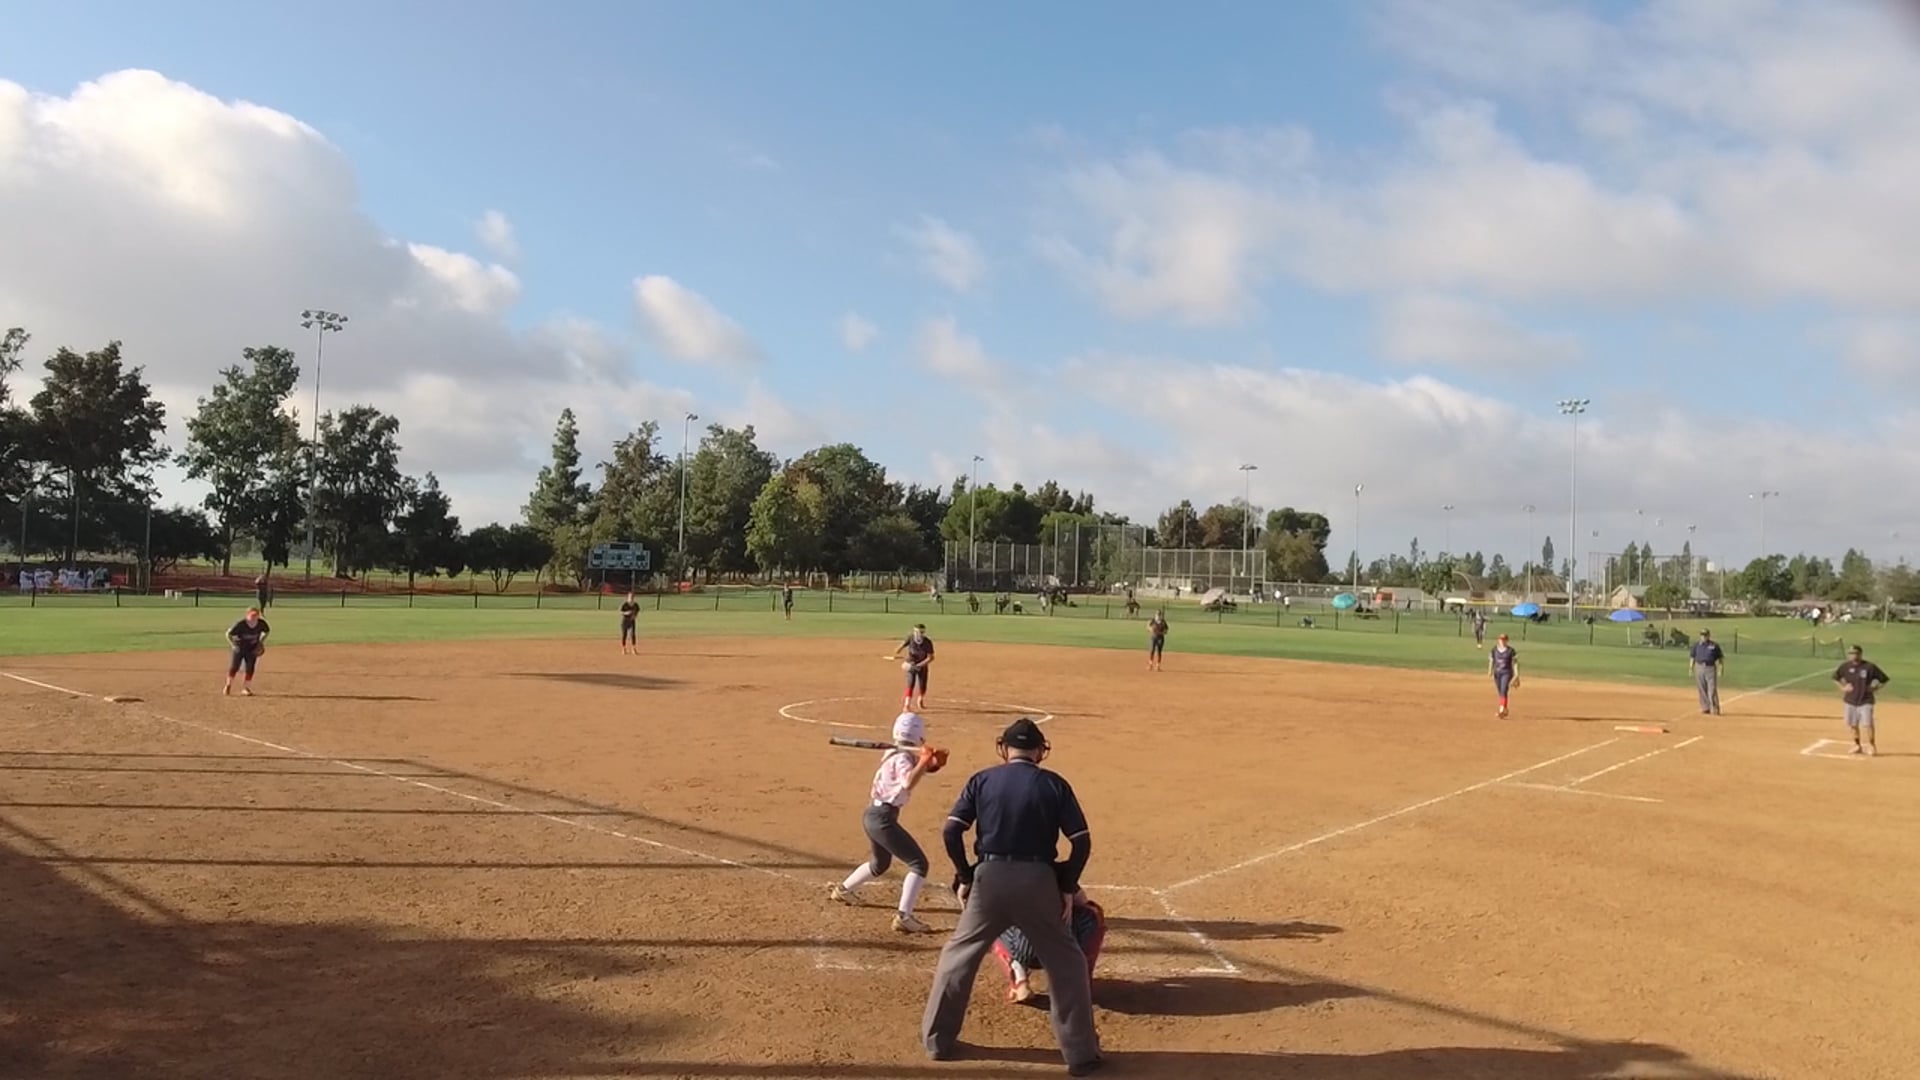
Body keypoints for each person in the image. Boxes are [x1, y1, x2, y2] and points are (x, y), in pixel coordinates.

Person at [922, 717, 1101, 1075]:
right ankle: (1080, 1054)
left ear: (1004, 749)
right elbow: (1081, 841)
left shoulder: (982, 779)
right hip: (1038, 879)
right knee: (1066, 963)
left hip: (989, 877)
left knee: (959, 955)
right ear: (1040, 751)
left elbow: (951, 831)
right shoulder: (1054, 784)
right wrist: (1067, 884)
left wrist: (965, 875)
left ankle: (937, 1041)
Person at [829, 712, 942, 933]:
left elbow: (918, 769)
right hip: (882, 819)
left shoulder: (896, 753)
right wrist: (925, 760)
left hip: (873, 815)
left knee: (880, 864)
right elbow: (908, 782)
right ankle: (904, 917)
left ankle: (843, 890)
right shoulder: (902, 758)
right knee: (919, 864)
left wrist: (933, 763)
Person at [993, 889, 1107, 1004]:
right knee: (1093, 912)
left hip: (1028, 951)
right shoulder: (1063, 879)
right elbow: (1082, 900)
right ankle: (1078, 982)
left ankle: (1019, 977)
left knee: (995, 917)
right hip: (1065, 949)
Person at [1833, 645, 1891, 757]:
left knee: (1867, 724)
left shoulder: (1869, 667)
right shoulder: (1845, 666)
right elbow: (1835, 677)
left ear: (1860, 654)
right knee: (1852, 724)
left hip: (1865, 700)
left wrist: (1875, 688)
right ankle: (1857, 745)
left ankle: (1871, 745)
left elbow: (1884, 679)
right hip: (1850, 700)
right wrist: (1843, 687)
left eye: (1855, 653)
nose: (1853, 655)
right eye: (1851, 653)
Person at [223, 607, 271, 696]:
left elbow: (267, 631)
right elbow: (228, 634)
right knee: (234, 667)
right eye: (252, 615)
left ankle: (246, 688)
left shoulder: (261, 623)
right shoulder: (240, 624)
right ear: (247, 615)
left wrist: (261, 641)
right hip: (239, 648)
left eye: (256, 615)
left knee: (250, 668)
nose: (254, 617)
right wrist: (233, 645)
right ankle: (228, 685)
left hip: (252, 648)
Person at [892, 624, 935, 712]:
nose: (918, 634)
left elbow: (930, 658)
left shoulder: (927, 642)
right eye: (916, 632)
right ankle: (907, 705)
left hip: (922, 665)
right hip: (911, 664)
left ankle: (920, 698)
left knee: (922, 685)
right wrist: (898, 650)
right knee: (910, 684)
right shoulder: (910, 638)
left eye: (920, 632)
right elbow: (900, 647)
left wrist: (919, 665)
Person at [1690, 629, 1724, 715]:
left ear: (1709, 635)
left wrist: (1721, 669)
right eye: (1702, 635)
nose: (1703, 637)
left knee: (1712, 689)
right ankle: (1705, 707)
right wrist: (1691, 668)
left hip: (1710, 668)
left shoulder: (1714, 645)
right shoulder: (1697, 645)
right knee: (1702, 688)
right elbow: (1692, 657)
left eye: (1705, 635)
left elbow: (1720, 658)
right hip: (1699, 667)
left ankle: (1715, 708)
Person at [1489, 632, 1519, 718]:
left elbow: (1515, 663)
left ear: (1507, 640)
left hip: (1507, 673)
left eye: (1504, 639)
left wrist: (1516, 675)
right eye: (1501, 639)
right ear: (1498, 640)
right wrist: (1490, 670)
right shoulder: (1494, 650)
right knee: (1501, 691)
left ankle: (1501, 709)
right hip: (1497, 673)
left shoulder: (1511, 651)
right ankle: (1505, 709)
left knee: (1503, 689)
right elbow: (1492, 660)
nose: (1502, 641)